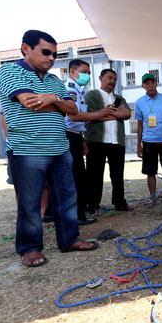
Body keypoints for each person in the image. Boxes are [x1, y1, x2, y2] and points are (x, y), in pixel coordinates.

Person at [0, 29, 98, 267]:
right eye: (45, 52)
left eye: (54, 54)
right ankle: (30, 249)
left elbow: (73, 110)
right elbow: (29, 102)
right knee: (30, 203)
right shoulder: (9, 71)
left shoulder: (53, 81)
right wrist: (58, 103)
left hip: (60, 148)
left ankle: (69, 240)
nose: (51, 58)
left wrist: (52, 98)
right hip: (27, 149)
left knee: (66, 198)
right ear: (25, 48)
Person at [84, 69, 132, 212]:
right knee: (94, 175)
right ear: (100, 78)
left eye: (115, 79)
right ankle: (92, 204)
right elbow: (89, 115)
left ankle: (119, 202)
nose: (112, 81)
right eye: (110, 78)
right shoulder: (91, 95)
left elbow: (128, 114)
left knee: (118, 174)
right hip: (96, 140)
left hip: (116, 141)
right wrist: (117, 114)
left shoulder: (119, 98)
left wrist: (106, 113)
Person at [64, 59, 103, 225]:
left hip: (75, 136)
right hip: (68, 137)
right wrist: (100, 113)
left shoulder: (78, 90)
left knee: (79, 177)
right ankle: (76, 216)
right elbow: (74, 116)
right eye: (84, 71)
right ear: (73, 72)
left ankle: (79, 214)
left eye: (89, 72)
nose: (87, 75)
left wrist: (81, 139)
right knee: (75, 177)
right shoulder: (69, 90)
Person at [135, 73, 162, 206]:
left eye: (152, 82)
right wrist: (138, 145)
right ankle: (152, 198)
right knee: (150, 171)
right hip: (149, 142)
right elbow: (140, 125)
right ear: (143, 86)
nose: (150, 85)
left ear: (156, 83)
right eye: (147, 83)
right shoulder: (139, 102)